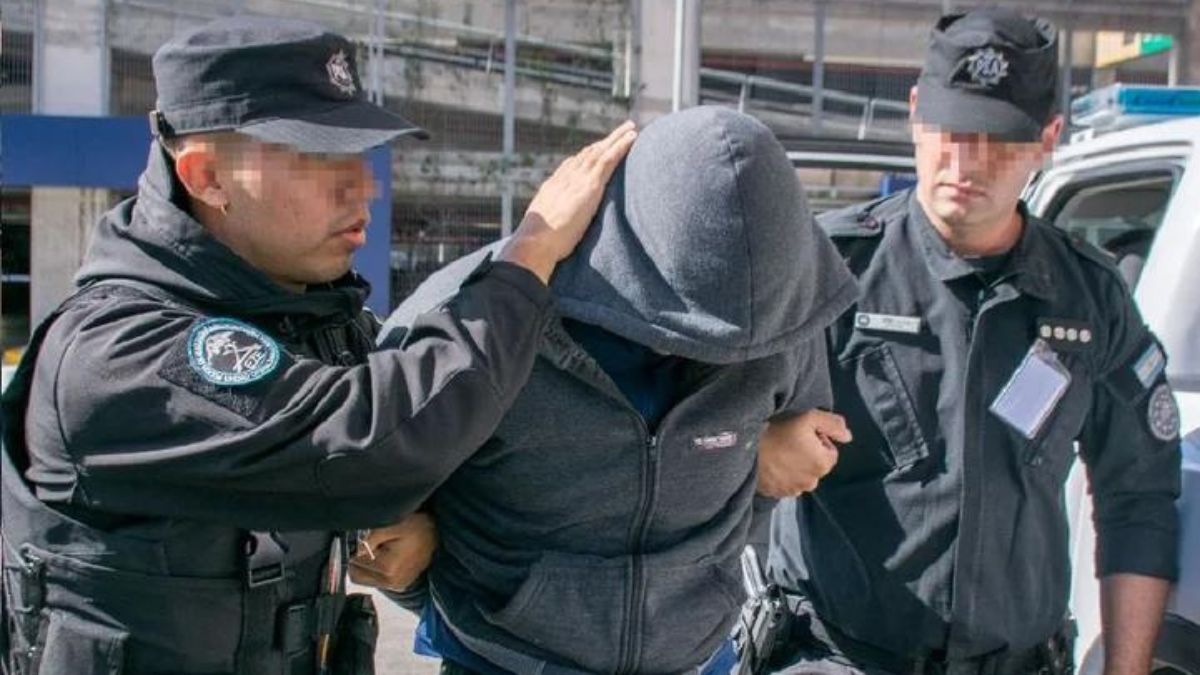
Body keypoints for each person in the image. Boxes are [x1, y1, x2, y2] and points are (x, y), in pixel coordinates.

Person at [0, 16, 635, 675]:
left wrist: (420, 523)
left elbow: (416, 443)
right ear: (207, 177)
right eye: (319, 158)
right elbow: (373, 443)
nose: (363, 186)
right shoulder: (116, 352)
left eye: (359, 157)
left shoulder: (306, 315)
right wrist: (530, 256)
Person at [362, 105, 858, 674]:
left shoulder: (785, 318)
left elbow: (790, 453)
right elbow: (381, 520)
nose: (730, 358)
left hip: (700, 660)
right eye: (698, 336)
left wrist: (749, 460)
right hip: (504, 662)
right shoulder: (469, 319)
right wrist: (426, 584)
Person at [765, 7, 1182, 675]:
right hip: (841, 656)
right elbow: (701, 432)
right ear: (915, 113)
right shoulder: (830, 269)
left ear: (1048, 138)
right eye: (954, 130)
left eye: (999, 139)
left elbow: (1138, 499)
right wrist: (762, 444)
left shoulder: (1090, 299)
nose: (969, 161)